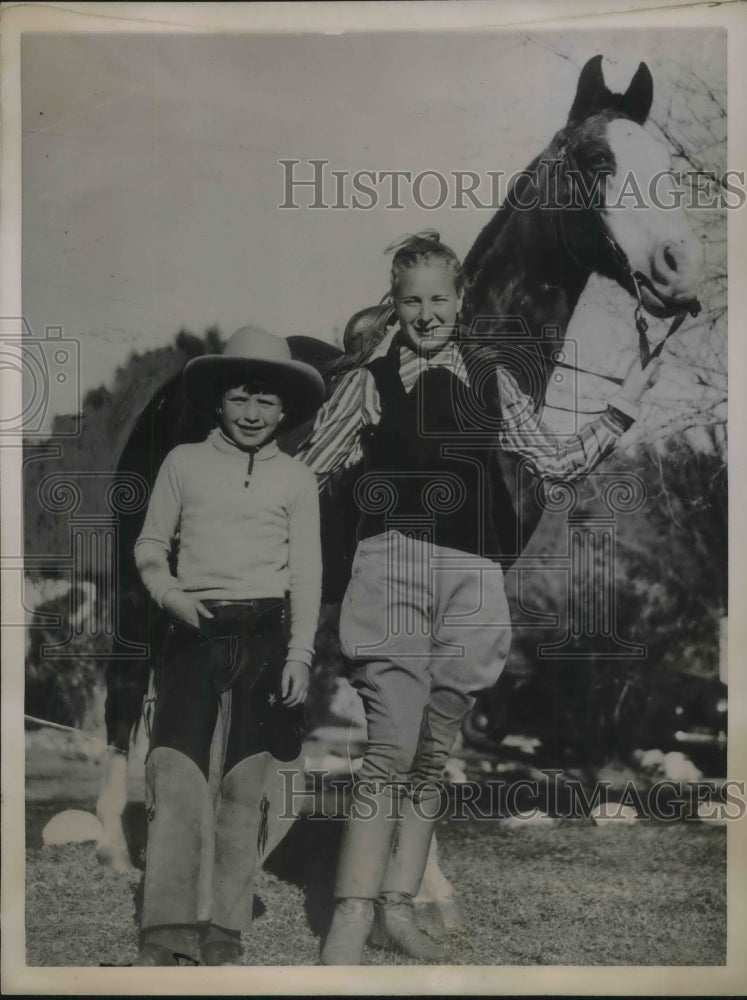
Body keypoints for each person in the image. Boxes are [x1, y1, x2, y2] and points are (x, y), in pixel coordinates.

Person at [297, 231, 660, 965]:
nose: (426, 313)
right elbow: (304, 473)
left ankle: (396, 909)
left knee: (434, 754)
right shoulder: (368, 381)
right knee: (390, 750)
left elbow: (552, 462)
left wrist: (624, 405)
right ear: (393, 307)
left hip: (472, 577)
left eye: (438, 298)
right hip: (390, 569)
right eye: (410, 301)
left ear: (460, 300)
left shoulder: (492, 378)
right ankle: (348, 917)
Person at [132, 327, 325, 966]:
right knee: (179, 774)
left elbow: (307, 575)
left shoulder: (297, 480)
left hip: (266, 638)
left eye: (266, 402)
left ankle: (224, 928)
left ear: (286, 410)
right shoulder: (183, 463)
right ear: (218, 401)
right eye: (240, 398)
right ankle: (167, 928)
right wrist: (174, 600)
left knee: (247, 785)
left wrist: (299, 653)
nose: (251, 413)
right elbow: (150, 548)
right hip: (193, 631)